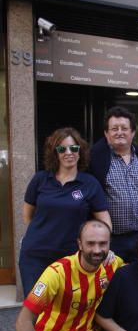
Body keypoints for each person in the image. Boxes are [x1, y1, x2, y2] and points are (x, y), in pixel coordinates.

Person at [19, 127, 111, 296]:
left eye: (74, 148)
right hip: (35, 256)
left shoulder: (89, 183)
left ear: (80, 151)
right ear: (55, 153)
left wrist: (103, 246)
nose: (69, 153)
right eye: (62, 149)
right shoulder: (40, 179)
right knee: (36, 307)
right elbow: (27, 215)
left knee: (66, 308)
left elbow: (105, 222)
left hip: (70, 258)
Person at [89, 106, 138, 262]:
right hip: (110, 240)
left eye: (124, 128)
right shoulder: (94, 159)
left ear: (132, 132)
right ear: (106, 134)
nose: (119, 132)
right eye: (114, 128)